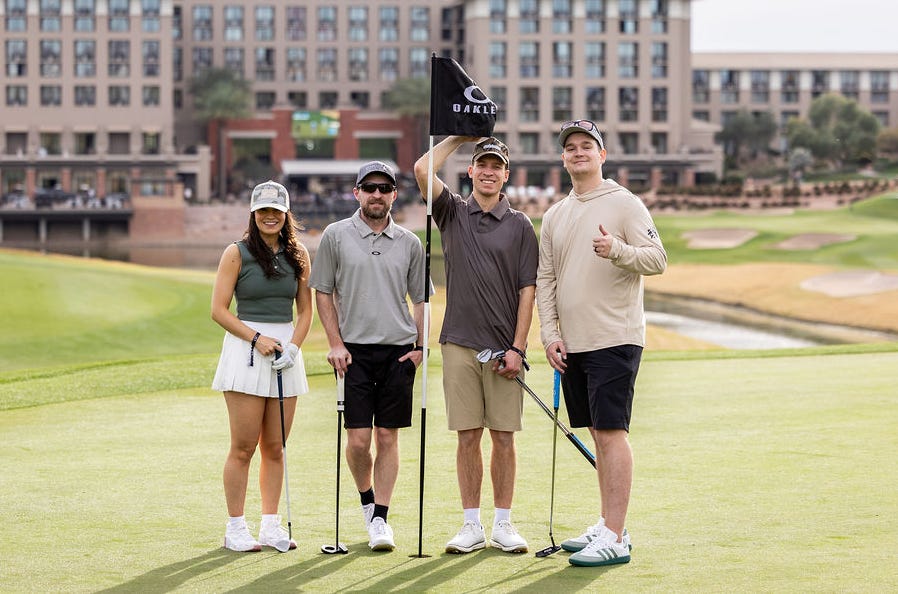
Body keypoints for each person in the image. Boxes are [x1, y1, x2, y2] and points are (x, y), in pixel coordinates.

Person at [536, 120, 667, 567]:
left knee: (612, 434)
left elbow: (657, 259)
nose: (578, 153)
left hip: (615, 336)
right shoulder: (555, 214)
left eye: (586, 146)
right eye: (570, 147)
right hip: (573, 344)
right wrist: (550, 335)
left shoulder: (625, 203)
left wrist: (617, 251)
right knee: (597, 432)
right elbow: (546, 279)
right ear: (563, 158)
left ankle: (615, 534)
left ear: (602, 154)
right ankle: (610, 523)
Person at [413, 137, 538, 554]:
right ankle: (471, 525)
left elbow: (527, 290)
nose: (488, 171)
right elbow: (420, 170)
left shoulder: (520, 224)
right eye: (481, 164)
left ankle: (503, 524)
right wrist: (458, 137)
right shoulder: (452, 212)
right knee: (467, 435)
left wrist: (519, 348)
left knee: (503, 437)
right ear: (471, 170)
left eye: (495, 166)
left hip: (504, 349)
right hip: (459, 343)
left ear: (506, 174)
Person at [309, 160, 425, 552]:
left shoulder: (410, 242)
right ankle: (366, 502)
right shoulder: (335, 235)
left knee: (387, 437)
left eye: (385, 188)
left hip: (397, 351)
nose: (377, 194)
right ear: (357, 193)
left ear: (394, 194)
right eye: (369, 187)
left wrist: (421, 346)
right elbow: (322, 291)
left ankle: (381, 519)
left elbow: (420, 299)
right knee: (359, 442)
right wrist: (334, 342)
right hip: (353, 352)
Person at [211, 180, 313, 553]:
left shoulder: (298, 253)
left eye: (276, 210)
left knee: (276, 446)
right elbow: (218, 311)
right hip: (246, 352)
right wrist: (257, 339)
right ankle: (235, 527)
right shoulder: (236, 253)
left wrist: (294, 347)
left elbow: (305, 311)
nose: (270, 216)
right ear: (254, 214)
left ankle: (270, 526)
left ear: (285, 214)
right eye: (263, 211)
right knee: (243, 447)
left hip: (285, 353)